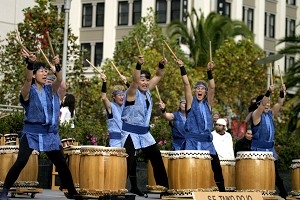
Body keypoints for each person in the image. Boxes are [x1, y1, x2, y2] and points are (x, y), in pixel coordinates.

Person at [0, 49, 82, 200]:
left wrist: (57, 66)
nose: (45, 74)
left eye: (45, 71)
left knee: (61, 163)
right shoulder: (28, 90)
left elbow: (59, 81)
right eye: (41, 71)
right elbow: (26, 80)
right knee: (21, 161)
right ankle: (4, 190)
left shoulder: (49, 89)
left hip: (50, 134)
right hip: (31, 132)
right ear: (33, 74)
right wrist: (30, 63)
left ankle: (72, 191)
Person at [121, 55, 169, 192]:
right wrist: (138, 65)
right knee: (128, 162)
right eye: (142, 80)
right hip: (130, 132)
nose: (145, 82)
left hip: (144, 133)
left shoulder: (147, 92)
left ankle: (165, 188)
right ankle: (117, 188)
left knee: (156, 157)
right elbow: (135, 82)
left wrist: (161, 65)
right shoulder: (132, 92)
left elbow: (158, 76)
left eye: (147, 80)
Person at [176, 58, 225, 192]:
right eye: (197, 88)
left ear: (205, 93)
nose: (199, 90)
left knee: (216, 166)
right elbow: (186, 85)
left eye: (202, 89)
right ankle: (188, 189)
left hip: (207, 142)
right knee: (191, 167)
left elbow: (213, 87)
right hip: (192, 141)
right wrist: (182, 67)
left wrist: (209, 71)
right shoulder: (191, 102)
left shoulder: (208, 104)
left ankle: (222, 191)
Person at [99, 72, 143, 196]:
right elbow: (103, 98)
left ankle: (133, 186)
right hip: (116, 141)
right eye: (119, 95)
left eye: (123, 94)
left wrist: (127, 83)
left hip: (128, 139)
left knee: (132, 162)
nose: (122, 97)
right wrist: (104, 81)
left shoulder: (127, 107)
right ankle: (115, 187)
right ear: (114, 97)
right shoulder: (111, 107)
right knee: (117, 166)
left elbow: (136, 95)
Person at [250, 84, 288, 199]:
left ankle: (283, 195)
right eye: (265, 103)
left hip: (270, 151)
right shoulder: (256, 115)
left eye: (268, 103)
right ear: (259, 104)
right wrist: (268, 92)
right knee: (259, 176)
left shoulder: (270, 114)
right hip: (258, 151)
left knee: (276, 176)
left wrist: (282, 92)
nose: (267, 104)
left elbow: (280, 103)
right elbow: (262, 104)